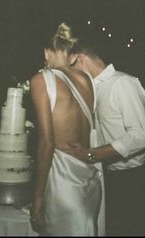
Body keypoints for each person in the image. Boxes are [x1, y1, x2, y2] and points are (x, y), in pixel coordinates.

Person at [63, 25, 145, 235]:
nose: (71, 74)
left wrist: (93, 154)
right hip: (108, 175)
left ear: (81, 58)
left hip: (132, 180)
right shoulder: (94, 89)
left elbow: (141, 137)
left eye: (71, 67)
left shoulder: (122, 83)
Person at [29, 22, 105, 236]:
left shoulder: (41, 80)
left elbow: (47, 143)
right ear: (72, 54)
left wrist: (37, 197)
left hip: (63, 185)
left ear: (46, 51)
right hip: (90, 181)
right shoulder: (86, 79)